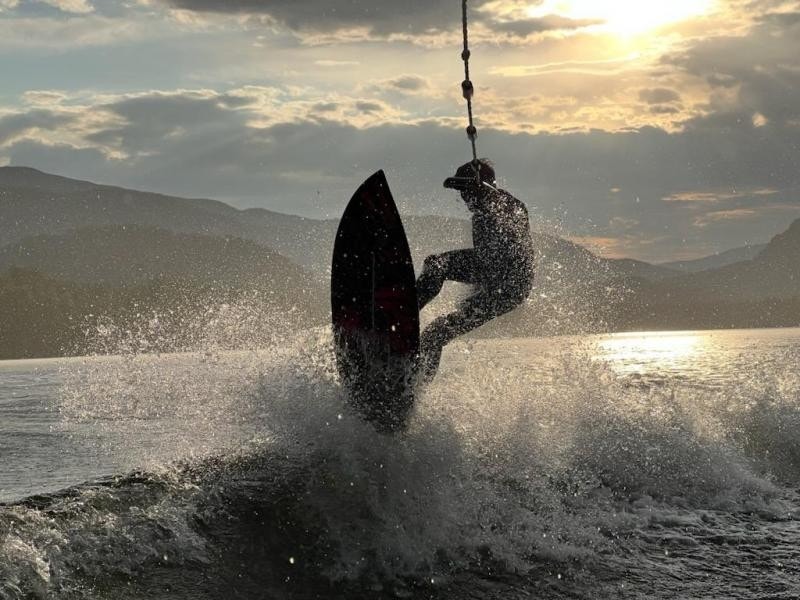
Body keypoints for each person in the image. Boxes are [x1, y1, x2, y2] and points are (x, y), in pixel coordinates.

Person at [415, 158, 535, 383]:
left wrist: (490, 197)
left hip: (507, 286)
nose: (463, 197)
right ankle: (415, 379)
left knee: (438, 265)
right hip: (491, 281)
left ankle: (406, 313)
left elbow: (511, 222)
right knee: (433, 335)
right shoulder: (479, 216)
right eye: (461, 191)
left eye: (467, 190)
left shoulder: (507, 205)